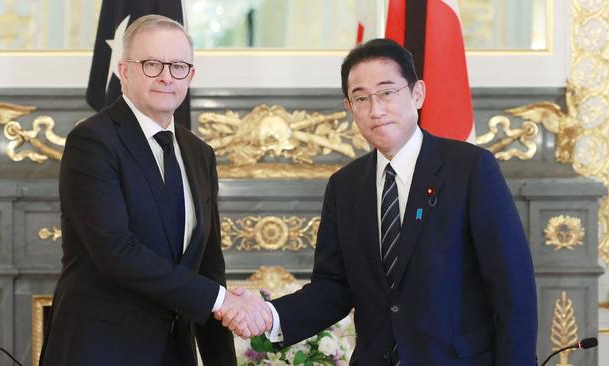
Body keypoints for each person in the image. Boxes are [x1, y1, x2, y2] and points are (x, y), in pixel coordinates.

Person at [218, 38, 538, 365]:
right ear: (349, 108)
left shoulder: (470, 169)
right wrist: (269, 315)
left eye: (387, 92)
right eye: (361, 98)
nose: (376, 109)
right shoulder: (345, 186)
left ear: (417, 93)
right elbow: (333, 289)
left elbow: (513, 290)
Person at [40, 14, 269, 366]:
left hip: (174, 353)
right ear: (124, 71)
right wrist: (222, 300)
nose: (166, 76)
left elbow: (208, 266)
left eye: (178, 66)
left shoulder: (199, 153)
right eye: (151, 64)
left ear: (190, 76)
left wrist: (220, 360)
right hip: (99, 350)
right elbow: (116, 251)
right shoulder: (92, 141)